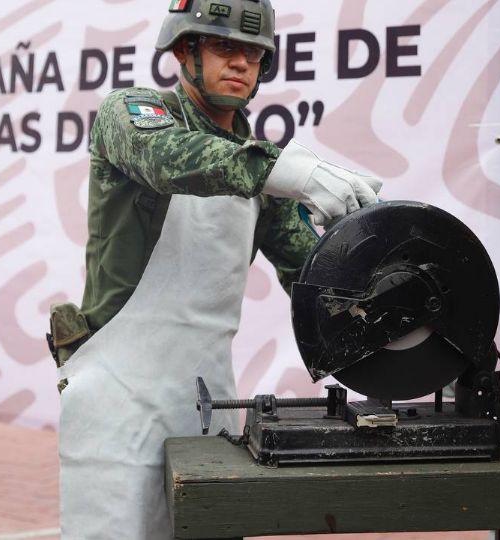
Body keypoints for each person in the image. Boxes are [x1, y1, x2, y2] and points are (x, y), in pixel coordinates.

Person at [53, 0, 382, 538]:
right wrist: (288, 170)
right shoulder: (131, 115)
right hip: (119, 405)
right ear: (186, 50)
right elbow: (171, 159)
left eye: (254, 54)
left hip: (210, 407)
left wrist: (379, 280)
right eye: (225, 47)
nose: (241, 64)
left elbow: (313, 276)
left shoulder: (265, 176)